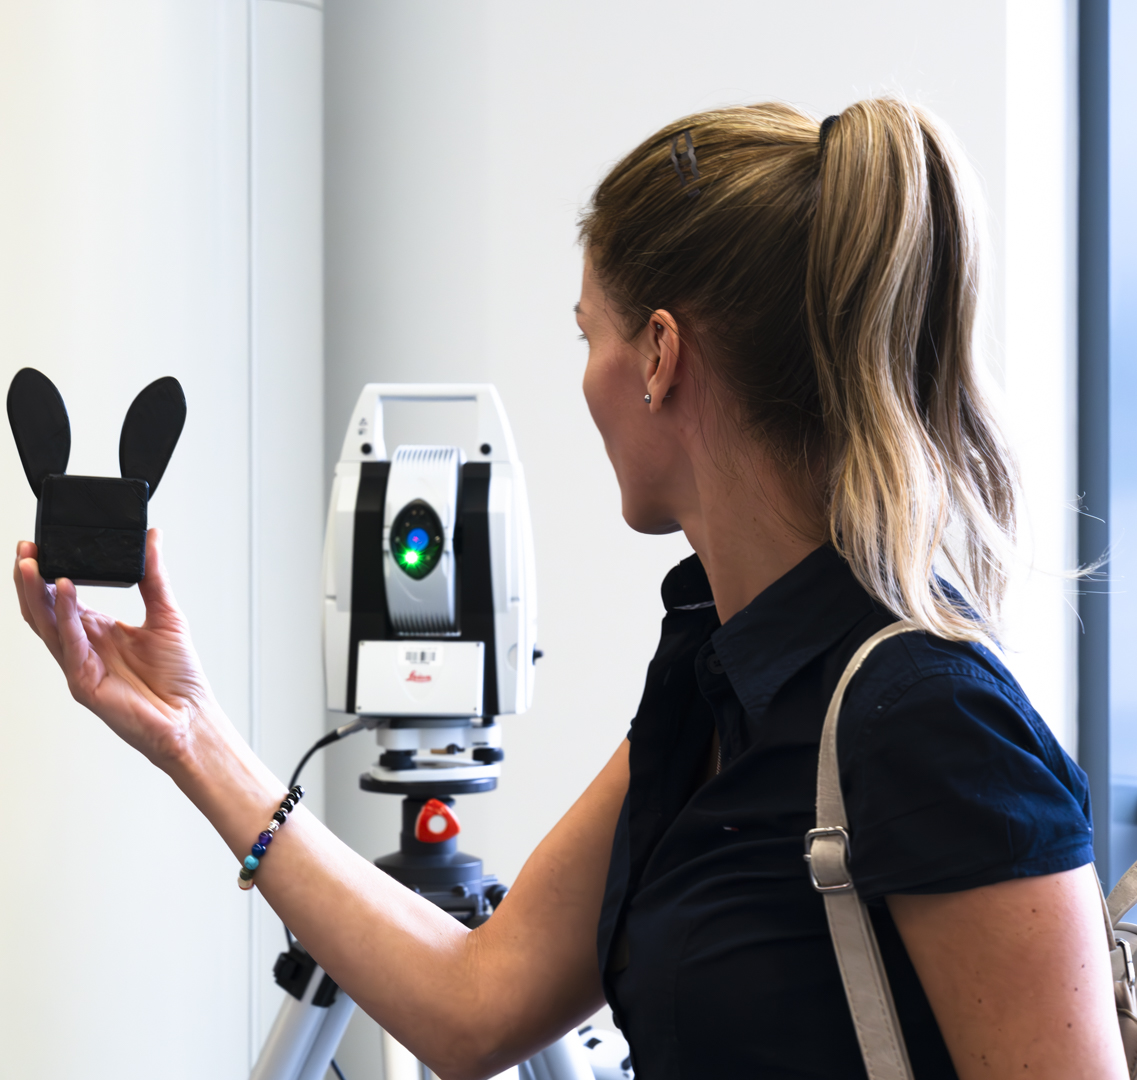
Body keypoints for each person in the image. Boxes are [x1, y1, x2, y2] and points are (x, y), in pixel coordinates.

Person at [12, 98, 1127, 1080]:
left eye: (587, 333)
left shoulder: (927, 721)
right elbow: (473, 1002)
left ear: (659, 357)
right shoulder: (711, 678)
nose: (583, 378)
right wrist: (191, 733)